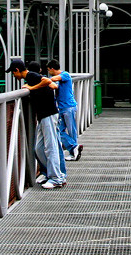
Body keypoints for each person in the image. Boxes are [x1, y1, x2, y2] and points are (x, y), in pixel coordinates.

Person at [6, 58, 65, 189]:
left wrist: (31, 88)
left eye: (13, 73)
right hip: (43, 115)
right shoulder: (30, 77)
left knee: (50, 147)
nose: (13, 75)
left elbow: (48, 81)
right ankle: (51, 173)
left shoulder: (31, 75)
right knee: (38, 148)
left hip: (49, 113)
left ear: (17, 70)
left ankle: (56, 178)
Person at [47, 59, 83, 162]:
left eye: (49, 70)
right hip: (62, 107)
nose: (49, 72)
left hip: (68, 107)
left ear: (52, 69)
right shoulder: (58, 78)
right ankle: (74, 148)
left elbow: (55, 79)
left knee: (71, 130)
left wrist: (47, 80)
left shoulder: (65, 75)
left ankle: (74, 152)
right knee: (59, 130)